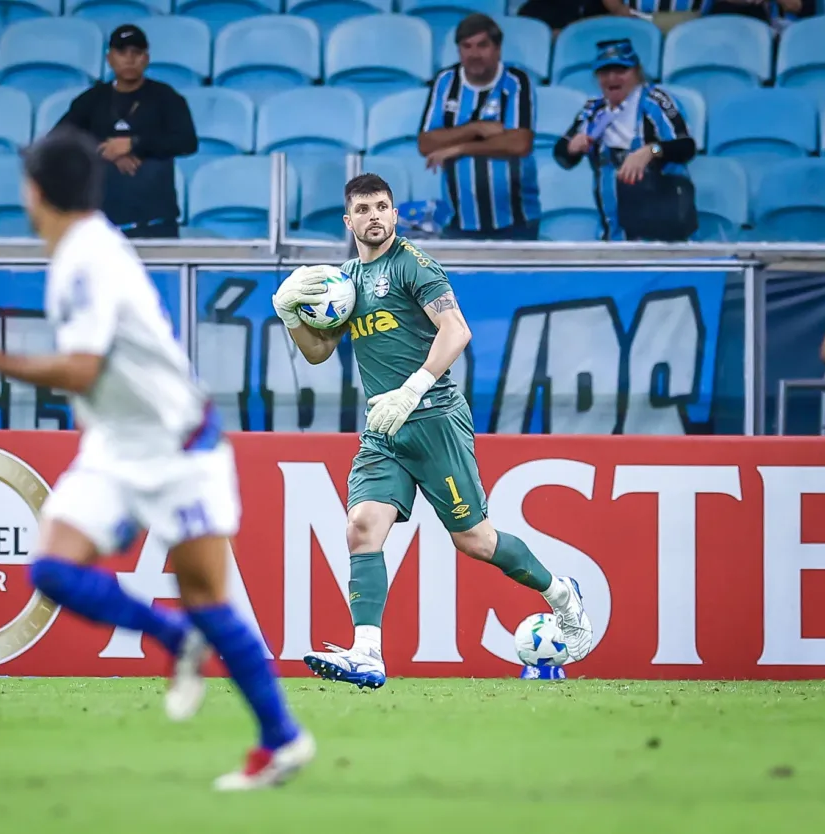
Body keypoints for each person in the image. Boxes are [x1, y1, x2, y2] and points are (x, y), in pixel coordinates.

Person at [0, 127, 313, 790]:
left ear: (35, 192)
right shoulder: (80, 249)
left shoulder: (87, 257)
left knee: (208, 599)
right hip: (117, 447)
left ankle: (282, 738)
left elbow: (81, 368)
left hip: (178, 446)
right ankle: (173, 636)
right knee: (51, 569)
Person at [274, 173, 592, 689]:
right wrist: (289, 314)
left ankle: (562, 595)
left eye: (382, 206)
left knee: (475, 540)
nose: (374, 216)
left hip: (433, 418)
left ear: (394, 214)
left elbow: (456, 330)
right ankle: (367, 653)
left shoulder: (413, 263)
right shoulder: (345, 282)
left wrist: (412, 388)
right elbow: (318, 353)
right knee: (361, 527)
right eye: (363, 209)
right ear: (348, 220)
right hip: (384, 429)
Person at [50, 24, 196, 238]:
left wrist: (134, 145)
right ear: (109, 58)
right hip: (101, 223)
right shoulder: (91, 99)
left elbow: (187, 142)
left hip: (156, 222)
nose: (129, 59)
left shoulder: (166, 97)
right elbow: (57, 141)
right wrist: (105, 150)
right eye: (122, 52)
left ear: (146, 58)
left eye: (136, 52)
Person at [554, 39, 697, 242]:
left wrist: (651, 151)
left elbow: (687, 147)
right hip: (612, 233)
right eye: (604, 72)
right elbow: (562, 157)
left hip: (663, 232)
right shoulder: (593, 109)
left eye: (621, 70)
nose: (612, 78)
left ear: (637, 72)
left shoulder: (656, 101)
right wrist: (571, 148)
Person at [418, 14, 540, 241]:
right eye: (467, 46)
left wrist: (458, 148)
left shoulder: (516, 81)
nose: (474, 54)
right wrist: (475, 128)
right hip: (458, 223)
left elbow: (519, 143)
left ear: (498, 49)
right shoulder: (445, 82)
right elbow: (426, 143)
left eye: (482, 45)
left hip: (517, 222)